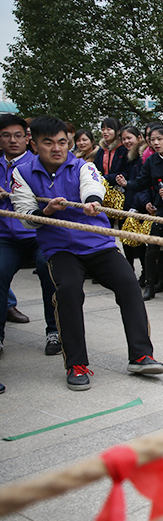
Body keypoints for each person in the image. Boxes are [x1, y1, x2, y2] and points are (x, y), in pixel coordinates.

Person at [12, 116, 163, 389]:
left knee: (128, 284)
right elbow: (24, 213)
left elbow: (93, 187)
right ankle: (77, 365)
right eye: (48, 143)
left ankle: (141, 355)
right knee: (69, 291)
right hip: (60, 249)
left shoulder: (84, 166)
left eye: (62, 142)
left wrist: (92, 202)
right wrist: (45, 212)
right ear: (34, 145)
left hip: (98, 244)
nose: (57, 148)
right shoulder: (21, 173)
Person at [0, 114, 60, 361]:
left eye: (18, 135)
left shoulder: (42, 163)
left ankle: (54, 331)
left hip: (39, 234)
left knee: (49, 270)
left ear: (28, 139)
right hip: (6, 237)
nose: (13, 141)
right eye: (6, 135)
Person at [118, 124, 163, 300]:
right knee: (152, 247)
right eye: (152, 140)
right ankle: (151, 285)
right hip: (161, 208)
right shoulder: (152, 160)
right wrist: (126, 184)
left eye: (159, 139)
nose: (155, 143)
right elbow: (141, 183)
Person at [118, 126, 148, 282]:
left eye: (129, 138)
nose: (126, 141)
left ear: (139, 137)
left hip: (141, 204)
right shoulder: (128, 156)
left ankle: (147, 274)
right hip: (128, 202)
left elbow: (141, 183)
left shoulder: (143, 156)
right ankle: (129, 273)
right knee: (127, 240)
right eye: (123, 139)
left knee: (141, 244)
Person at [94, 118, 129, 188]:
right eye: (103, 129)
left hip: (120, 189)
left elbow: (127, 172)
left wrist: (107, 178)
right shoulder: (101, 150)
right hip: (101, 187)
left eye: (108, 129)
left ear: (118, 131)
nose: (105, 132)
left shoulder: (123, 149)